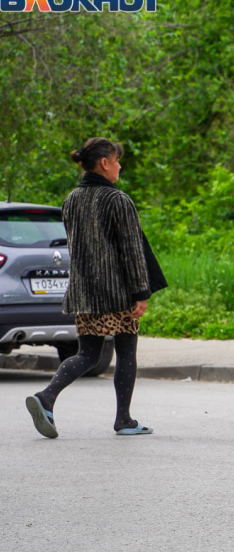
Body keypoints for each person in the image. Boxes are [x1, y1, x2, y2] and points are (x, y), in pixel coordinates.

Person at [25, 137, 167, 438]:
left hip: (83, 291)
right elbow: (132, 250)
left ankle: (47, 397)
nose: (119, 166)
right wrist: (141, 292)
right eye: (116, 161)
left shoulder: (71, 199)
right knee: (126, 349)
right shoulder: (118, 200)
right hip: (117, 293)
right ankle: (124, 420)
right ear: (104, 163)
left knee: (88, 354)